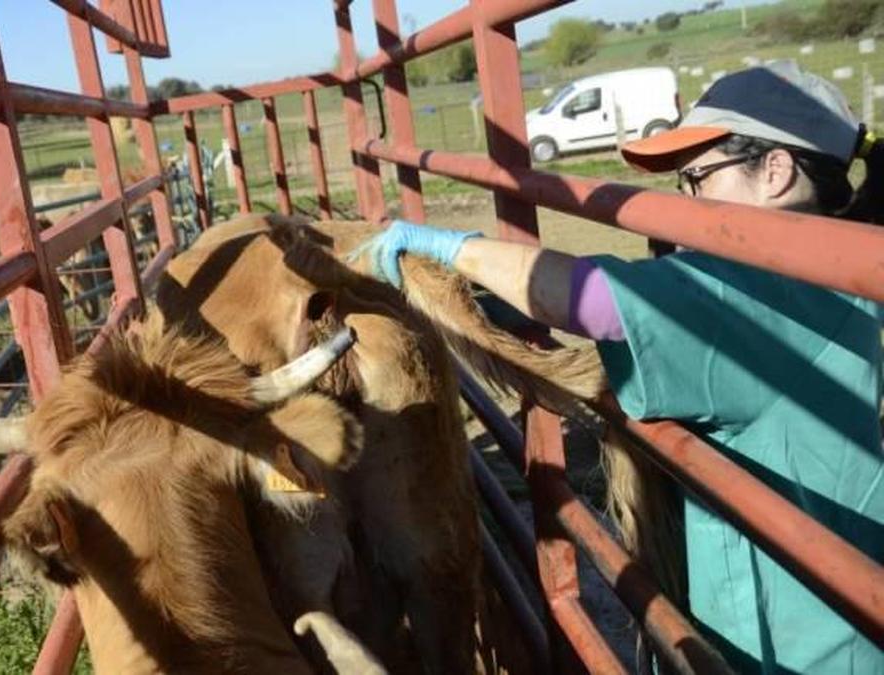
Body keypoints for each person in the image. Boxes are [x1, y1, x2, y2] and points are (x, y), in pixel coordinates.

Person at [352, 61, 884, 673]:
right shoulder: (840, 269)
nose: (684, 206)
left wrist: (446, 249)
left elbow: (594, 299)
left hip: (787, 651)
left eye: (697, 178)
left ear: (775, 171)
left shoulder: (762, 293)